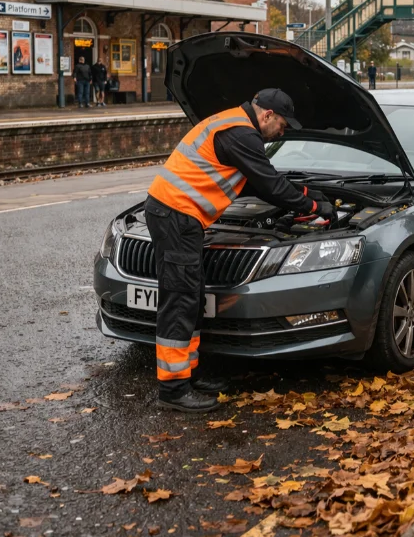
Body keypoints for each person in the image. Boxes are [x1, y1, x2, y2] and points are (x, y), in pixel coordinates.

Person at [144, 89, 336, 413]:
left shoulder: (233, 124)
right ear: (267, 116)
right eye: (283, 125)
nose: (283, 131)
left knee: (191, 296)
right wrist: (314, 205)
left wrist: (306, 192)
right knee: (180, 299)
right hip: (175, 215)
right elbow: (269, 185)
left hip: (179, 216)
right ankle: (173, 389)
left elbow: (257, 183)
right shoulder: (242, 134)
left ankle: (187, 374)